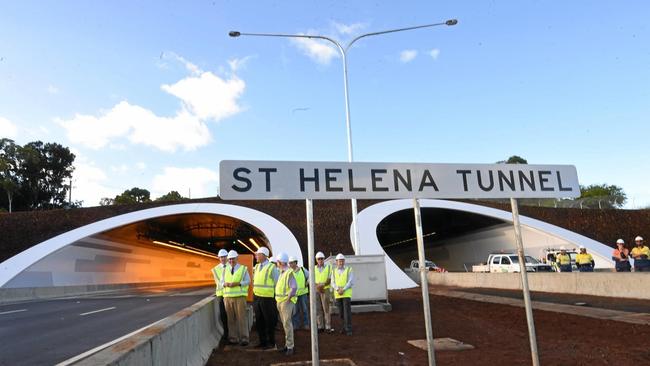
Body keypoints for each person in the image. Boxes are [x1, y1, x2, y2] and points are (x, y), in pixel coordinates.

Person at [222, 250, 250, 346]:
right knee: (230, 319)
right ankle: (233, 338)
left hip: (239, 297)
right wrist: (224, 284)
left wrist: (238, 283)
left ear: (237, 258)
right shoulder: (225, 269)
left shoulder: (243, 269)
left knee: (241, 318)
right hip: (228, 297)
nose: (231, 261)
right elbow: (220, 282)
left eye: (233, 258)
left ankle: (244, 338)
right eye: (229, 259)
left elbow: (248, 281)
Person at [252, 247, 279, 349]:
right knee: (259, 321)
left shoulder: (272, 268)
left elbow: (277, 283)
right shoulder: (257, 266)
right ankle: (262, 342)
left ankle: (271, 343)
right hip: (257, 297)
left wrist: (276, 297)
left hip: (268, 298)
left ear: (263, 255)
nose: (256, 256)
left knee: (269, 321)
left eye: (257, 254)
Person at [275, 253, 297, 356]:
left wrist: (288, 299)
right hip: (281, 301)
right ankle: (287, 345)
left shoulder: (288, 273)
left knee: (287, 324)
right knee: (285, 324)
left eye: (277, 262)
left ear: (281, 262)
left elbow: (294, 288)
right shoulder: (282, 273)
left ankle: (290, 346)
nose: (276, 263)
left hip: (285, 301)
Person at [331, 253, 354, 336]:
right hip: (338, 294)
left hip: (346, 294)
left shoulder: (349, 269)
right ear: (336, 262)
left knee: (347, 312)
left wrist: (343, 289)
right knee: (341, 313)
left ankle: (348, 329)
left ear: (344, 261)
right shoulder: (333, 271)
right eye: (339, 261)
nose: (341, 262)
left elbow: (351, 281)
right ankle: (344, 327)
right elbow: (332, 282)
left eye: (342, 261)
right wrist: (338, 289)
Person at [211, 249, 229, 341]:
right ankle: (226, 333)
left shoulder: (232, 266)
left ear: (227, 257)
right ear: (219, 258)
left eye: (224, 256)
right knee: (223, 315)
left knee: (231, 315)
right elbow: (219, 282)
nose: (223, 258)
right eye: (221, 257)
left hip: (230, 294)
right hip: (221, 295)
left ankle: (232, 333)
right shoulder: (215, 269)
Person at [314, 251, 334, 333]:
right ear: (316, 260)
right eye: (319, 259)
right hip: (316, 289)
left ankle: (328, 326)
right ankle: (320, 326)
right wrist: (317, 286)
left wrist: (322, 285)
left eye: (322, 259)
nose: (320, 260)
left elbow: (329, 279)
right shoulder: (313, 268)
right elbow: (312, 278)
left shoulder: (329, 267)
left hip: (325, 289)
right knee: (318, 308)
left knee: (326, 308)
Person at [289, 256, 310, 330]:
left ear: (295, 263)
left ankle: (306, 324)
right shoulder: (289, 272)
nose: (290, 264)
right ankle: (296, 325)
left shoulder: (302, 269)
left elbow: (310, 276)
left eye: (291, 263)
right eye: (289, 263)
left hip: (303, 293)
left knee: (305, 310)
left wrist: (307, 282)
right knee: (295, 311)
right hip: (294, 294)